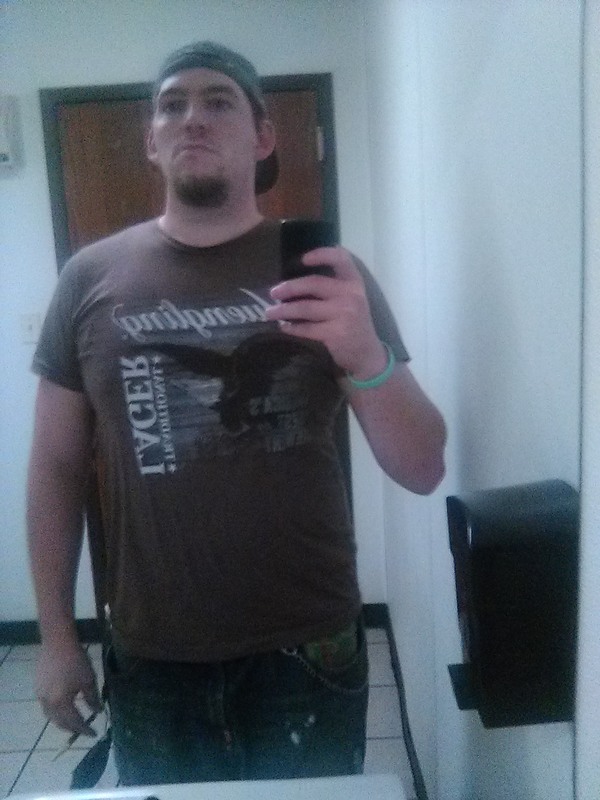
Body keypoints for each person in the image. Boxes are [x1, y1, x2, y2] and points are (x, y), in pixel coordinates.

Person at [27, 41, 446, 786]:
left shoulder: (330, 275)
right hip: (154, 652)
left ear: (263, 137)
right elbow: (55, 468)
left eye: (218, 101)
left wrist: (363, 351)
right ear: (150, 141)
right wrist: (57, 637)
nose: (192, 117)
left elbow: (422, 466)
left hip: (308, 645)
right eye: (172, 105)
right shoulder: (88, 279)